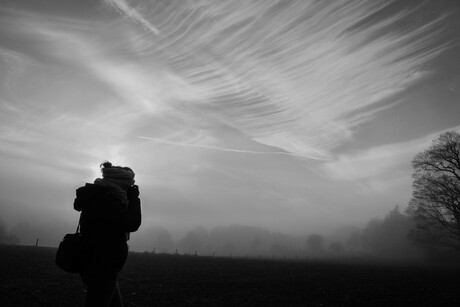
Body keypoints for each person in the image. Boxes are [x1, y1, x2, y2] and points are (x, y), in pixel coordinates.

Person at [74, 161, 142, 307]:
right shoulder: (108, 200)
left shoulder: (99, 195)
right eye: (127, 186)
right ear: (119, 183)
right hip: (103, 264)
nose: (128, 189)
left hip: (94, 261)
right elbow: (131, 223)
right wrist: (135, 199)